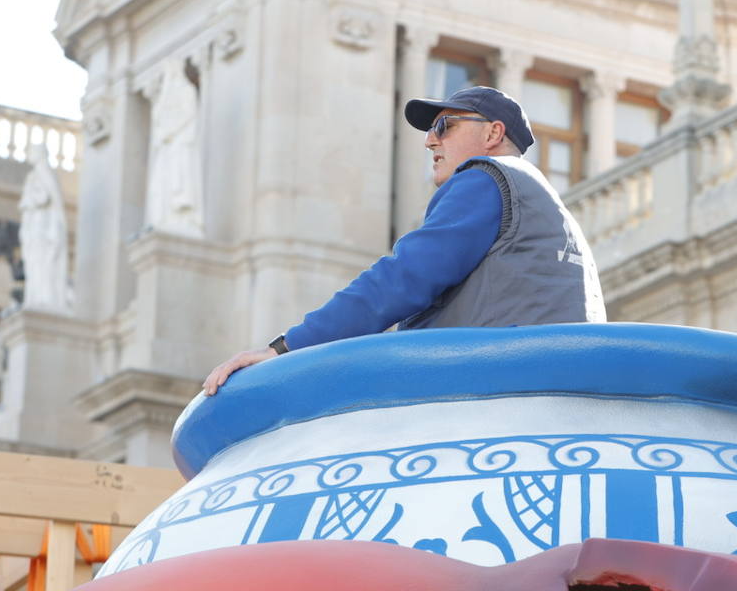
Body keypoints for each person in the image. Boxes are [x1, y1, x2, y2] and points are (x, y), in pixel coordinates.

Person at [202, 86, 604, 395]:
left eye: (445, 126)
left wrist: (285, 351)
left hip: (496, 392)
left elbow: (401, 279)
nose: (431, 140)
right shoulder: (536, 198)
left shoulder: (487, 177)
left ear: (493, 133)